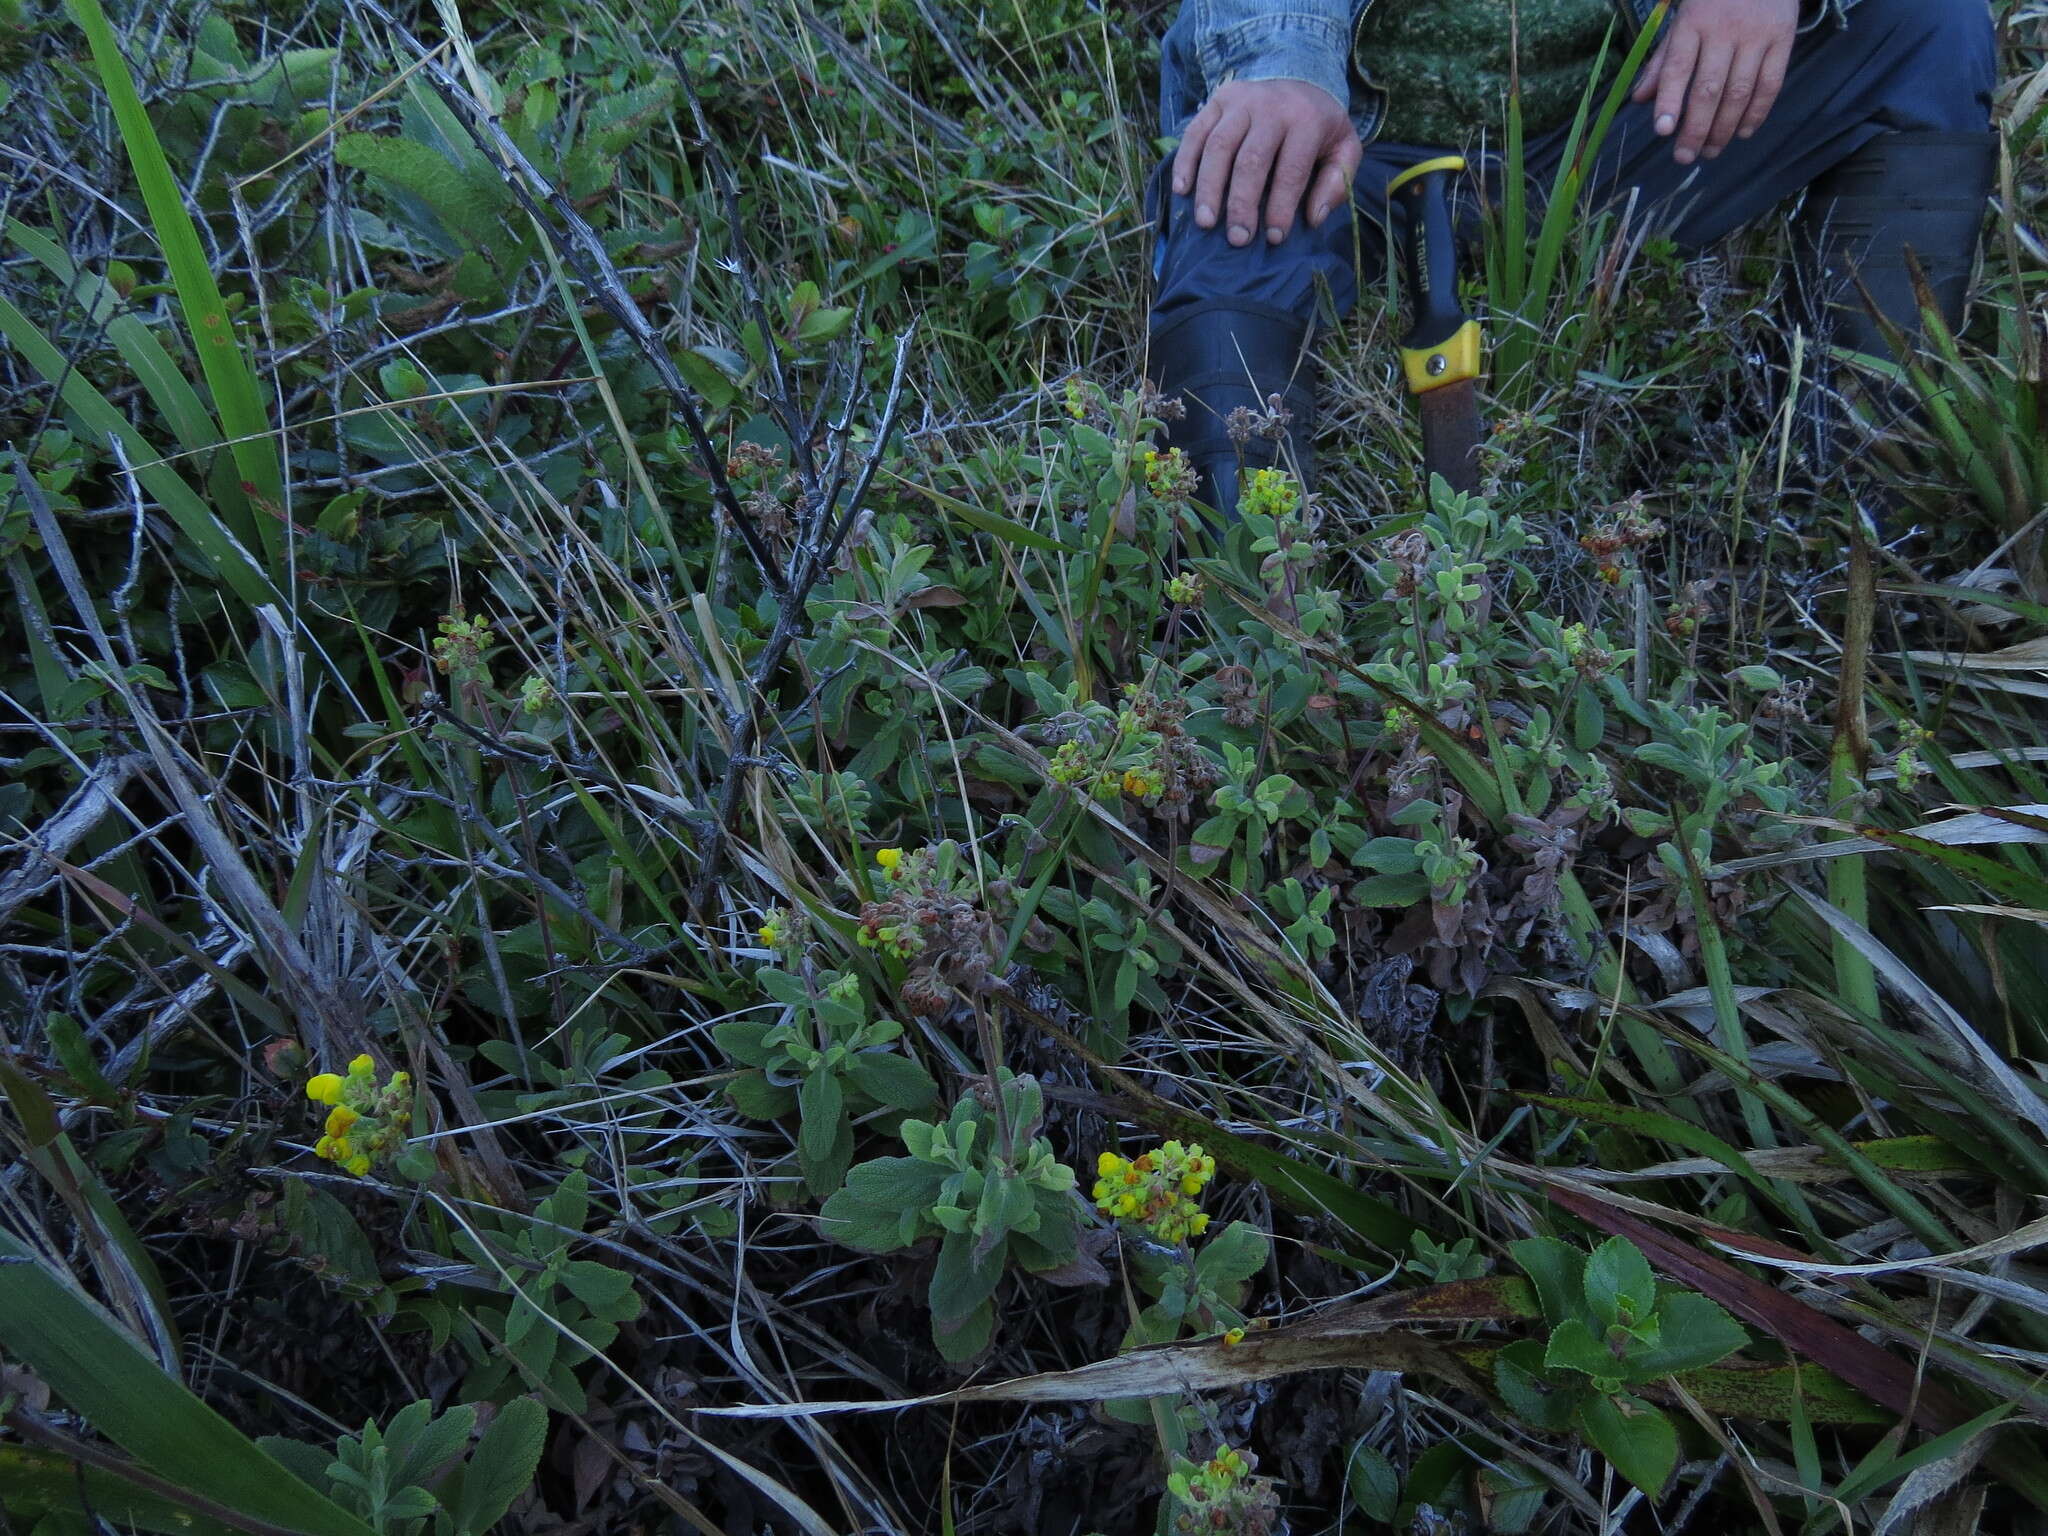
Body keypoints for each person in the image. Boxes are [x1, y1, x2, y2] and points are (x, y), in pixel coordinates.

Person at [1145, 0, 1999, 519]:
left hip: (1626, 127)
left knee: (1930, 24)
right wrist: (1283, 67)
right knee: (1237, 186)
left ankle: (1856, 502)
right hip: (1348, 133)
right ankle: (1249, 625)